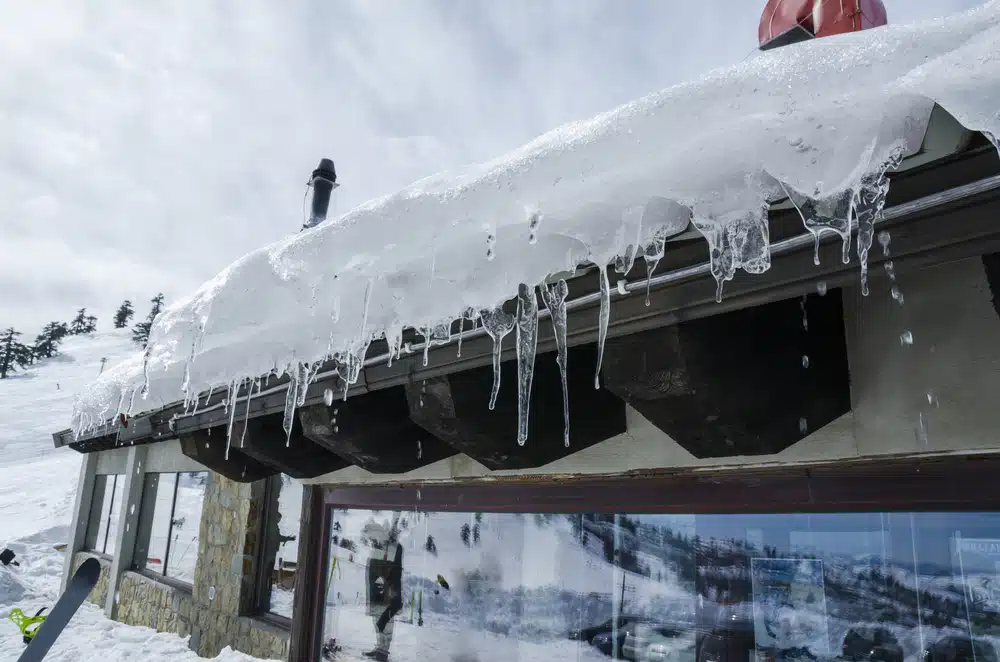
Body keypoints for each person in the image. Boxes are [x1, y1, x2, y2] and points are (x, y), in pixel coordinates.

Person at [363, 520, 404, 661]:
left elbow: (393, 573)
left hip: (387, 594)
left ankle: (383, 652)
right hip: (376, 593)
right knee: (377, 622)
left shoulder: (395, 548)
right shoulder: (378, 548)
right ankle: (380, 647)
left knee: (386, 623)